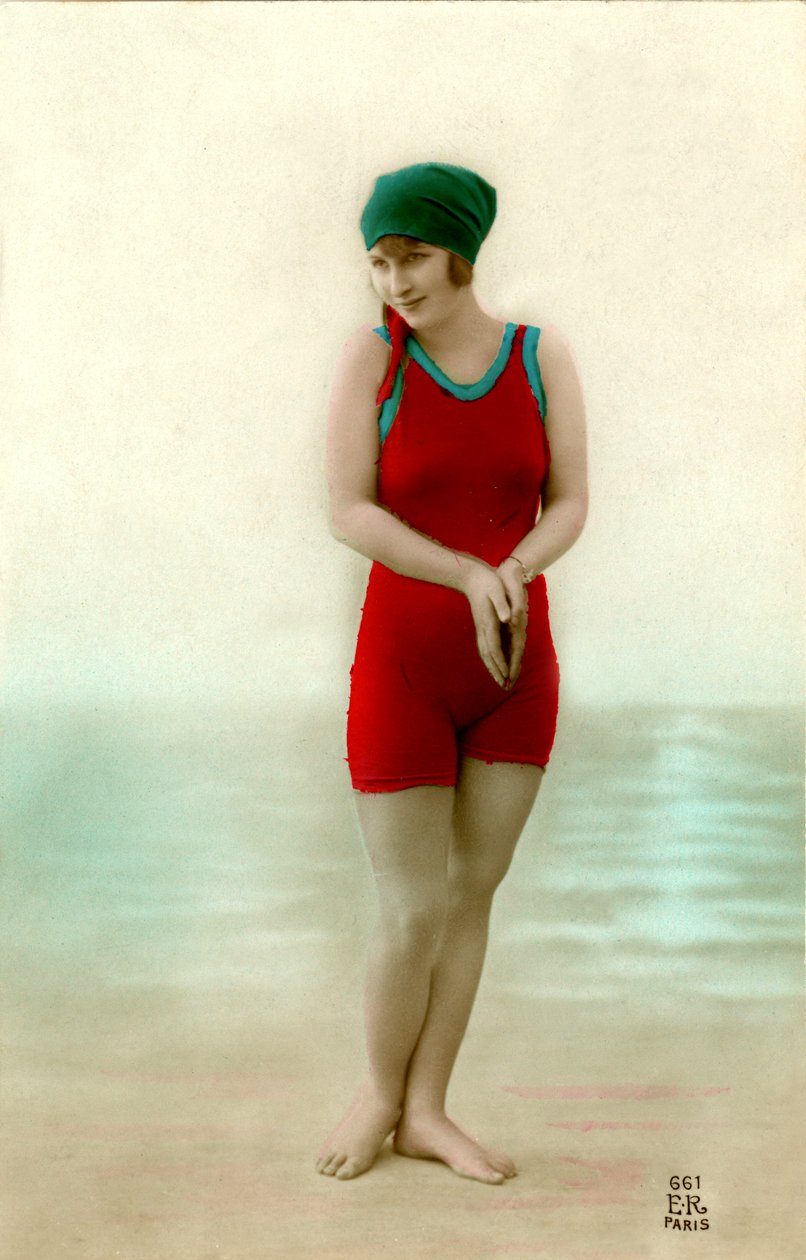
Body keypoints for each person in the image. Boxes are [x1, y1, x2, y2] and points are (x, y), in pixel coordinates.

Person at [318, 162, 588, 1184]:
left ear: (461, 253)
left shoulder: (536, 355)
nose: (394, 281)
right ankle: (376, 1093)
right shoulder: (373, 361)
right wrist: (466, 573)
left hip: (516, 664)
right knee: (409, 907)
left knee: (471, 895)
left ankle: (427, 1108)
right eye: (378, 262)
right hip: (403, 664)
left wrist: (510, 571)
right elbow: (347, 509)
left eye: (413, 257)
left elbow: (567, 502)